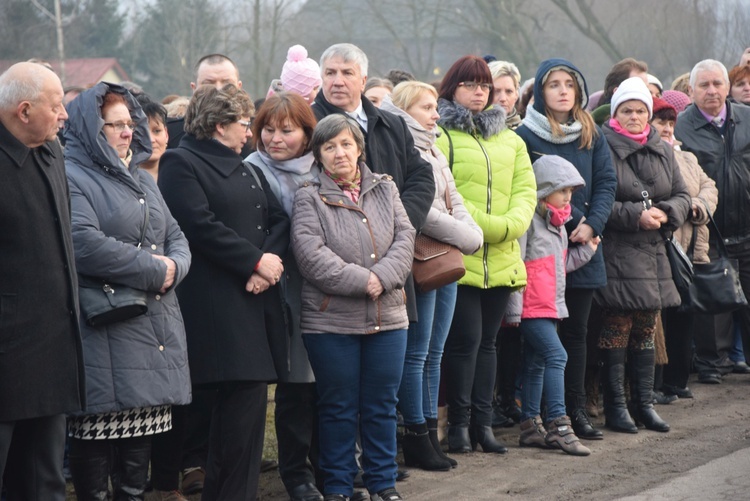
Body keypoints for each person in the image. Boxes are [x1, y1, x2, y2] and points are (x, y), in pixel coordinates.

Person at [158, 84, 290, 501]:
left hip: (255, 299)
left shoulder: (247, 167)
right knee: (229, 413)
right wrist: (253, 261)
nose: (250, 133)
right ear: (220, 125)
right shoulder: (181, 163)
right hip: (215, 306)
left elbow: (279, 220)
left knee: (248, 409)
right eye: (244, 123)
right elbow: (198, 225)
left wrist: (265, 266)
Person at [63, 82, 192, 500]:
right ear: (88, 128)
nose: (125, 132)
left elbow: (175, 235)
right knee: (98, 443)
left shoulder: (141, 176)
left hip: (153, 328)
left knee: (139, 456)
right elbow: (83, 243)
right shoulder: (70, 173)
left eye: (128, 122)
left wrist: (176, 266)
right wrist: (156, 271)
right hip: (105, 327)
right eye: (113, 125)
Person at [291, 114, 416, 501]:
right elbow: (311, 255)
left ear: (359, 148)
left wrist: (383, 276)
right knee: (338, 407)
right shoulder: (308, 195)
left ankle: (383, 484)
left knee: (381, 406)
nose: (339, 153)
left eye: (346, 144)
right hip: (331, 322)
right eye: (329, 147)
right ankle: (340, 488)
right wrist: (366, 281)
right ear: (319, 155)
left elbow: (405, 236)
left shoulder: (384, 188)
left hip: (388, 316)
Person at [435, 55, 537, 454]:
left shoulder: (511, 139)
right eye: (470, 84)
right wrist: (487, 229)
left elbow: (526, 192)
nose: (479, 91)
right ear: (452, 88)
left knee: (489, 343)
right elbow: (447, 195)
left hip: (502, 257)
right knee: (465, 342)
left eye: (485, 85)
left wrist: (511, 226)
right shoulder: (442, 136)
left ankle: (483, 424)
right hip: (461, 256)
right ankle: (458, 427)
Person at [381, 81, 483, 471]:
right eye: (428, 107)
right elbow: (418, 207)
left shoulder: (434, 144)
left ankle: (430, 435)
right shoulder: (400, 143)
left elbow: (452, 196)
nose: (436, 114)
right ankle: (416, 435)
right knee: (417, 352)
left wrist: (469, 231)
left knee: (435, 351)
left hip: (450, 255)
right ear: (407, 110)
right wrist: (466, 236)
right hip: (422, 257)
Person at [515, 58, 617, 441]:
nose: (561, 90)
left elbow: (606, 181)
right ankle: (538, 417)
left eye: (568, 84)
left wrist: (592, 225)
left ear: (578, 90)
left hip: (585, 247)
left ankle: (574, 410)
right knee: (542, 337)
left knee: (577, 334)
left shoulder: (591, 131)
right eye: (553, 84)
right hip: (543, 248)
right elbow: (532, 188)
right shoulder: (526, 135)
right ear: (541, 91)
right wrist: (572, 222)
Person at [0, 61, 84, 501]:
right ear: (25, 110)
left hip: (51, 351)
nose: (65, 114)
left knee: (45, 482)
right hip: (6, 357)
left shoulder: (51, 151)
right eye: (57, 106)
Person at [311, 43, 434, 322]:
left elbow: (422, 177)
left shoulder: (392, 124)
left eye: (347, 73)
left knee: (405, 357)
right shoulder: (308, 123)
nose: (337, 81)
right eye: (330, 73)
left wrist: (398, 223)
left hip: (394, 257)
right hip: (340, 263)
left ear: (364, 80)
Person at [597, 77, 690, 433]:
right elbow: (598, 202)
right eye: (626, 110)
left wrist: (667, 212)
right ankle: (616, 407)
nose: (634, 117)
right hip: (619, 251)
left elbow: (682, 192)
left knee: (646, 330)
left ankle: (644, 403)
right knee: (617, 329)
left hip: (654, 254)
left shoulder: (663, 149)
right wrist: (636, 216)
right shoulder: (601, 146)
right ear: (615, 112)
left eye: (640, 111)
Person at [245, 92, 323, 501]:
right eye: (268, 130)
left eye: (286, 131)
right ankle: (297, 474)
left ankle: (332, 465)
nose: (275, 139)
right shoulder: (250, 171)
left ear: (307, 134)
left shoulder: (323, 165)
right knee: (294, 384)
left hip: (326, 288)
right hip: (281, 288)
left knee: (328, 384)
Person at [505, 155, 595, 456]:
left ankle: (531, 425)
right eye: (562, 191)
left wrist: (588, 253)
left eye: (571, 192)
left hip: (551, 306)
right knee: (557, 355)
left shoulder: (557, 225)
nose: (568, 197)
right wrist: (514, 309)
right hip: (531, 307)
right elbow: (515, 264)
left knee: (536, 363)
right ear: (543, 190)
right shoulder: (529, 220)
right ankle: (558, 423)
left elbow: (559, 266)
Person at [674, 59, 750, 385]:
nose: (712, 91)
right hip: (708, 230)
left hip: (746, 226)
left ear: (727, 87)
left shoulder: (746, 118)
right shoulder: (681, 126)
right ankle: (709, 363)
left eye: (717, 84)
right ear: (691, 91)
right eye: (703, 85)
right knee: (708, 300)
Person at [648, 97, 718, 399]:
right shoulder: (653, 155)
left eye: (669, 122)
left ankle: (677, 380)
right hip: (664, 246)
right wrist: (682, 205)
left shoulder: (687, 157)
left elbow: (709, 186)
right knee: (660, 319)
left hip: (691, 248)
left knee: (684, 314)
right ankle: (656, 384)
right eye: (660, 121)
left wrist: (698, 205)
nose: (666, 128)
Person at [166, 54, 243, 150]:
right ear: (194, 89)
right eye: (208, 83)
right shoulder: (169, 133)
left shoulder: (254, 133)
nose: (218, 89)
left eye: (227, 83)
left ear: (239, 87)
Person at [591, 58, 649, 126]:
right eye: (638, 87)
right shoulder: (592, 131)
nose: (647, 94)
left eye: (647, 88)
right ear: (617, 91)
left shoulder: (655, 129)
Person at [136, 94, 169, 181]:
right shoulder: (120, 181)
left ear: (166, 134)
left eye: (157, 131)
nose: (151, 140)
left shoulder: (182, 174)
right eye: (142, 133)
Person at [489, 60, 522, 129]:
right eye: (496, 91)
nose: (503, 98)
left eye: (509, 91)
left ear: (516, 95)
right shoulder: (473, 131)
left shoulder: (524, 135)